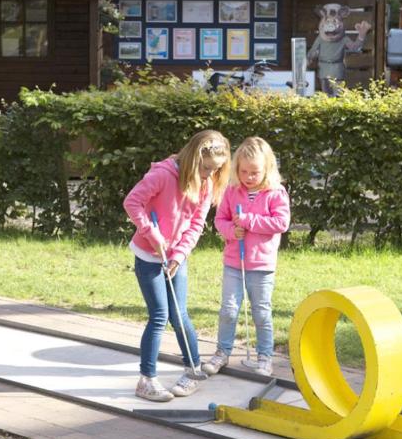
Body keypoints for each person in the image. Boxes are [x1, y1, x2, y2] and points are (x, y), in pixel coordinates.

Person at [123, 130, 231, 401]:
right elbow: (132, 202)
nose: (209, 175)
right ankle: (146, 380)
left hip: (174, 258)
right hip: (149, 255)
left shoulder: (206, 184)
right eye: (206, 168)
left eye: (215, 170)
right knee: (159, 315)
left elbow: (196, 225)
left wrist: (180, 254)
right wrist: (151, 233)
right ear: (194, 158)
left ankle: (194, 370)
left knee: (180, 314)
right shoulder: (162, 175)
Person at [205, 137, 290, 377]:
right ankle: (222, 352)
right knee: (229, 310)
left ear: (267, 169)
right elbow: (220, 220)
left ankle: (265, 356)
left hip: (261, 265)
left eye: (255, 172)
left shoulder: (275, 193)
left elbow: (281, 223)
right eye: (243, 171)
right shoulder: (232, 191)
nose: (249, 177)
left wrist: (249, 221)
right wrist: (232, 231)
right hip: (234, 262)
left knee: (261, 312)